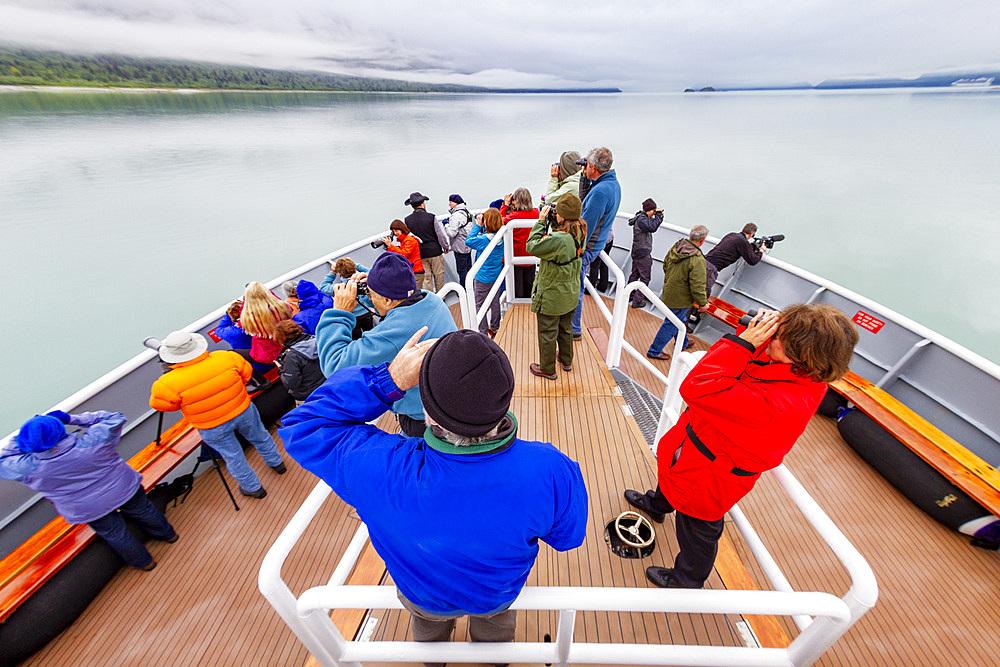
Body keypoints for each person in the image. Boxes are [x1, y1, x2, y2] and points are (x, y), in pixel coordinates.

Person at [279, 329, 588, 667]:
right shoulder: (551, 469)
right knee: (496, 638)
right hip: (496, 595)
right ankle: (496, 661)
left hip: (422, 596)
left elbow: (304, 425)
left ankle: (433, 661)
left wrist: (389, 379)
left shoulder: (381, 469)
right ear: (502, 400)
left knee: (427, 634)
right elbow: (568, 539)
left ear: (428, 411)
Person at [624, 304, 859, 589]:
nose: (769, 338)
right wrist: (749, 334)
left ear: (800, 355)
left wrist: (743, 342)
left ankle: (686, 580)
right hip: (693, 451)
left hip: (710, 475)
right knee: (670, 481)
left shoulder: (779, 404)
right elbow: (751, 361)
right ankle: (657, 505)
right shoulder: (794, 370)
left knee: (698, 530)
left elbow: (697, 386)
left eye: (777, 336)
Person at [1, 410, 177, 571]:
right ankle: (168, 535)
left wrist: (25, 440)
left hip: (87, 508)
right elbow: (115, 418)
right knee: (144, 510)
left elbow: (3, 459)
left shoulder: (27, 467)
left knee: (115, 534)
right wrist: (71, 418)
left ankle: (145, 563)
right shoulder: (93, 440)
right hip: (123, 487)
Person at [314, 252, 457, 438]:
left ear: (388, 300)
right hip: (449, 399)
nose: (370, 299)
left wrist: (339, 312)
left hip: (425, 421)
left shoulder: (393, 333)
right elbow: (389, 304)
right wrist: (375, 283)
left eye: (372, 295)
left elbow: (334, 365)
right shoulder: (430, 299)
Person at [149, 331, 286, 499]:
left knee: (233, 456)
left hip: (211, 426)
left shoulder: (165, 383)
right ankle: (277, 464)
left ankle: (253, 488)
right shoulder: (226, 357)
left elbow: (163, 406)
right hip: (243, 410)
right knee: (260, 436)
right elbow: (247, 375)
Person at [526, 193, 587, 380]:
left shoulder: (559, 239)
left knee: (547, 332)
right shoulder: (580, 230)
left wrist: (541, 220)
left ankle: (547, 369)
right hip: (570, 290)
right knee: (565, 327)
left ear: (562, 215)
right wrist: (553, 221)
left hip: (553, 293)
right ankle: (567, 360)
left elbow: (532, 246)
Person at [571, 147, 621, 340]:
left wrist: (573, 251)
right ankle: (572, 326)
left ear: (592, 166)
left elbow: (585, 227)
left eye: (587, 166)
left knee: (575, 289)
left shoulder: (600, 191)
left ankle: (574, 329)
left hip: (587, 248)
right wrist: (585, 179)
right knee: (577, 287)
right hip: (597, 243)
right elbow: (585, 204)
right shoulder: (611, 184)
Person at [646, 225, 709, 361]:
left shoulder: (677, 246)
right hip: (681, 298)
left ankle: (684, 342)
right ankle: (654, 351)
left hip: (669, 290)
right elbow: (697, 285)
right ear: (702, 241)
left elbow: (666, 265)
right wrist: (703, 303)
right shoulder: (697, 259)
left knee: (679, 319)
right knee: (672, 322)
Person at [465, 208, 505, 337]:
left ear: (487, 222)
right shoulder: (502, 236)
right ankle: (495, 327)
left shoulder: (484, 240)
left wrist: (478, 226)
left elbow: (469, 241)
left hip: (483, 277)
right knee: (494, 301)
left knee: (479, 305)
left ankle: (483, 332)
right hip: (496, 274)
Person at [404, 191, 450, 292]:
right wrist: (445, 246)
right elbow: (440, 235)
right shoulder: (431, 217)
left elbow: (409, 238)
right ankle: (441, 297)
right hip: (435, 251)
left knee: (426, 278)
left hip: (420, 254)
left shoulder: (407, 220)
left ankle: (431, 299)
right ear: (422, 204)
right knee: (438, 275)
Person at [240, 281, 294, 366]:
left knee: (233, 353)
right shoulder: (282, 307)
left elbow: (242, 325)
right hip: (289, 344)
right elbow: (287, 308)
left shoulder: (248, 318)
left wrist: (246, 300)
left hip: (268, 354)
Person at [704, 222, 764, 297]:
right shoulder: (743, 242)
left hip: (704, 261)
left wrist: (751, 247)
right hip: (711, 269)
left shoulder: (731, 235)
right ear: (752, 234)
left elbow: (738, 247)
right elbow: (753, 260)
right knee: (703, 294)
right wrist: (761, 251)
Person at [320, 257, 374, 339]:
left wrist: (333, 273)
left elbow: (323, 287)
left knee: (356, 338)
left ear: (340, 274)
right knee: (371, 332)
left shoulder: (339, 288)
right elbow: (371, 272)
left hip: (352, 317)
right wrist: (354, 265)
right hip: (366, 313)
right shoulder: (363, 282)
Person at [500, 187, 540, 298]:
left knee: (516, 289)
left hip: (514, 256)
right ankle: (529, 305)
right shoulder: (536, 213)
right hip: (530, 255)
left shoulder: (513, 217)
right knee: (529, 285)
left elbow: (498, 222)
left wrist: (505, 204)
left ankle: (518, 309)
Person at [274, 320, 325, 406]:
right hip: (325, 385)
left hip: (307, 396)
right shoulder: (316, 340)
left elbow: (291, 383)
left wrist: (280, 369)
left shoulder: (292, 357)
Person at [627, 198, 664, 308]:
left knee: (634, 275)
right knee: (645, 278)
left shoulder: (642, 218)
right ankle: (637, 301)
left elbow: (652, 224)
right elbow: (652, 227)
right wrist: (658, 216)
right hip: (643, 253)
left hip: (637, 251)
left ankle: (628, 295)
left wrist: (658, 217)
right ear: (651, 210)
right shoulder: (642, 221)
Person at [443, 194, 474, 287]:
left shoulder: (456, 215)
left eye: (450, 202)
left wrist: (446, 224)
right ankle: (471, 287)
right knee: (469, 268)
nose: (449, 204)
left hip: (460, 247)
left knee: (462, 270)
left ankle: (464, 290)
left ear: (456, 203)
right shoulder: (466, 212)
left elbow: (452, 233)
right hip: (467, 245)